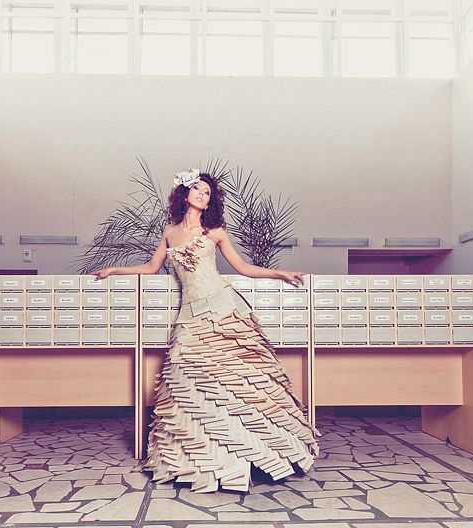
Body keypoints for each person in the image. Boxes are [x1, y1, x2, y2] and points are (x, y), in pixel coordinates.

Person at [90, 168, 319, 492]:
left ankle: (254, 456)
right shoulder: (169, 232)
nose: (201, 194)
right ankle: (199, 462)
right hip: (190, 314)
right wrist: (115, 269)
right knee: (186, 378)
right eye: (197, 188)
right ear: (184, 193)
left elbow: (243, 268)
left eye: (207, 192)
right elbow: (151, 268)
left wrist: (280, 274)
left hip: (222, 309)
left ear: (210, 201)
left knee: (237, 379)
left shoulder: (215, 232)